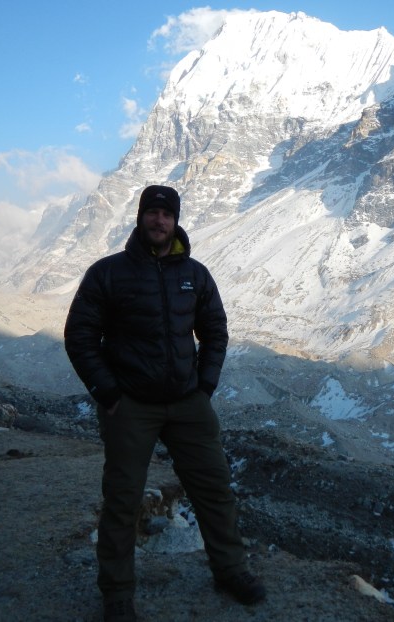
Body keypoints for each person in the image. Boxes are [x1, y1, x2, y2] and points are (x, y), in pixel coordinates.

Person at [64, 185, 265, 621]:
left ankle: (230, 569)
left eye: (166, 215)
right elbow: (80, 336)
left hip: (187, 402)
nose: (159, 221)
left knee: (214, 488)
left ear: (176, 221)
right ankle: (117, 595)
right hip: (130, 405)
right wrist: (109, 393)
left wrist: (204, 387)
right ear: (139, 218)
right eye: (152, 213)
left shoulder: (195, 273)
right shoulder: (108, 273)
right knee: (122, 498)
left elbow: (215, 332)